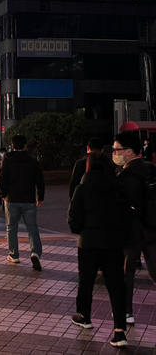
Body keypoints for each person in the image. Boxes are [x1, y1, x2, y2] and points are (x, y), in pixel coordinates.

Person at [67, 153, 128, 347]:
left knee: (86, 282)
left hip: (88, 244)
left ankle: (85, 316)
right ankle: (120, 331)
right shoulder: (117, 188)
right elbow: (126, 216)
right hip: (113, 244)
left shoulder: (82, 189)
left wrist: (81, 230)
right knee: (117, 286)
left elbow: (73, 220)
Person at [113, 131, 156, 325]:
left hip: (131, 232)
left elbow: (119, 207)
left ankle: (126, 312)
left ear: (129, 152)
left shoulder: (124, 176)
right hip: (153, 229)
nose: (114, 153)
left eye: (117, 150)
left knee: (126, 272)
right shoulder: (152, 169)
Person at [0, 135, 45, 271]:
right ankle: (35, 252)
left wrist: (3, 195)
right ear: (25, 146)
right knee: (32, 228)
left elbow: (2, 179)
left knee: (11, 228)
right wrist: (40, 196)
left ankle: (14, 255)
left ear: (12, 146)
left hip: (11, 199)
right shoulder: (32, 161)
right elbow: (40, 180)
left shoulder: (6, 160)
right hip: (28, 199)